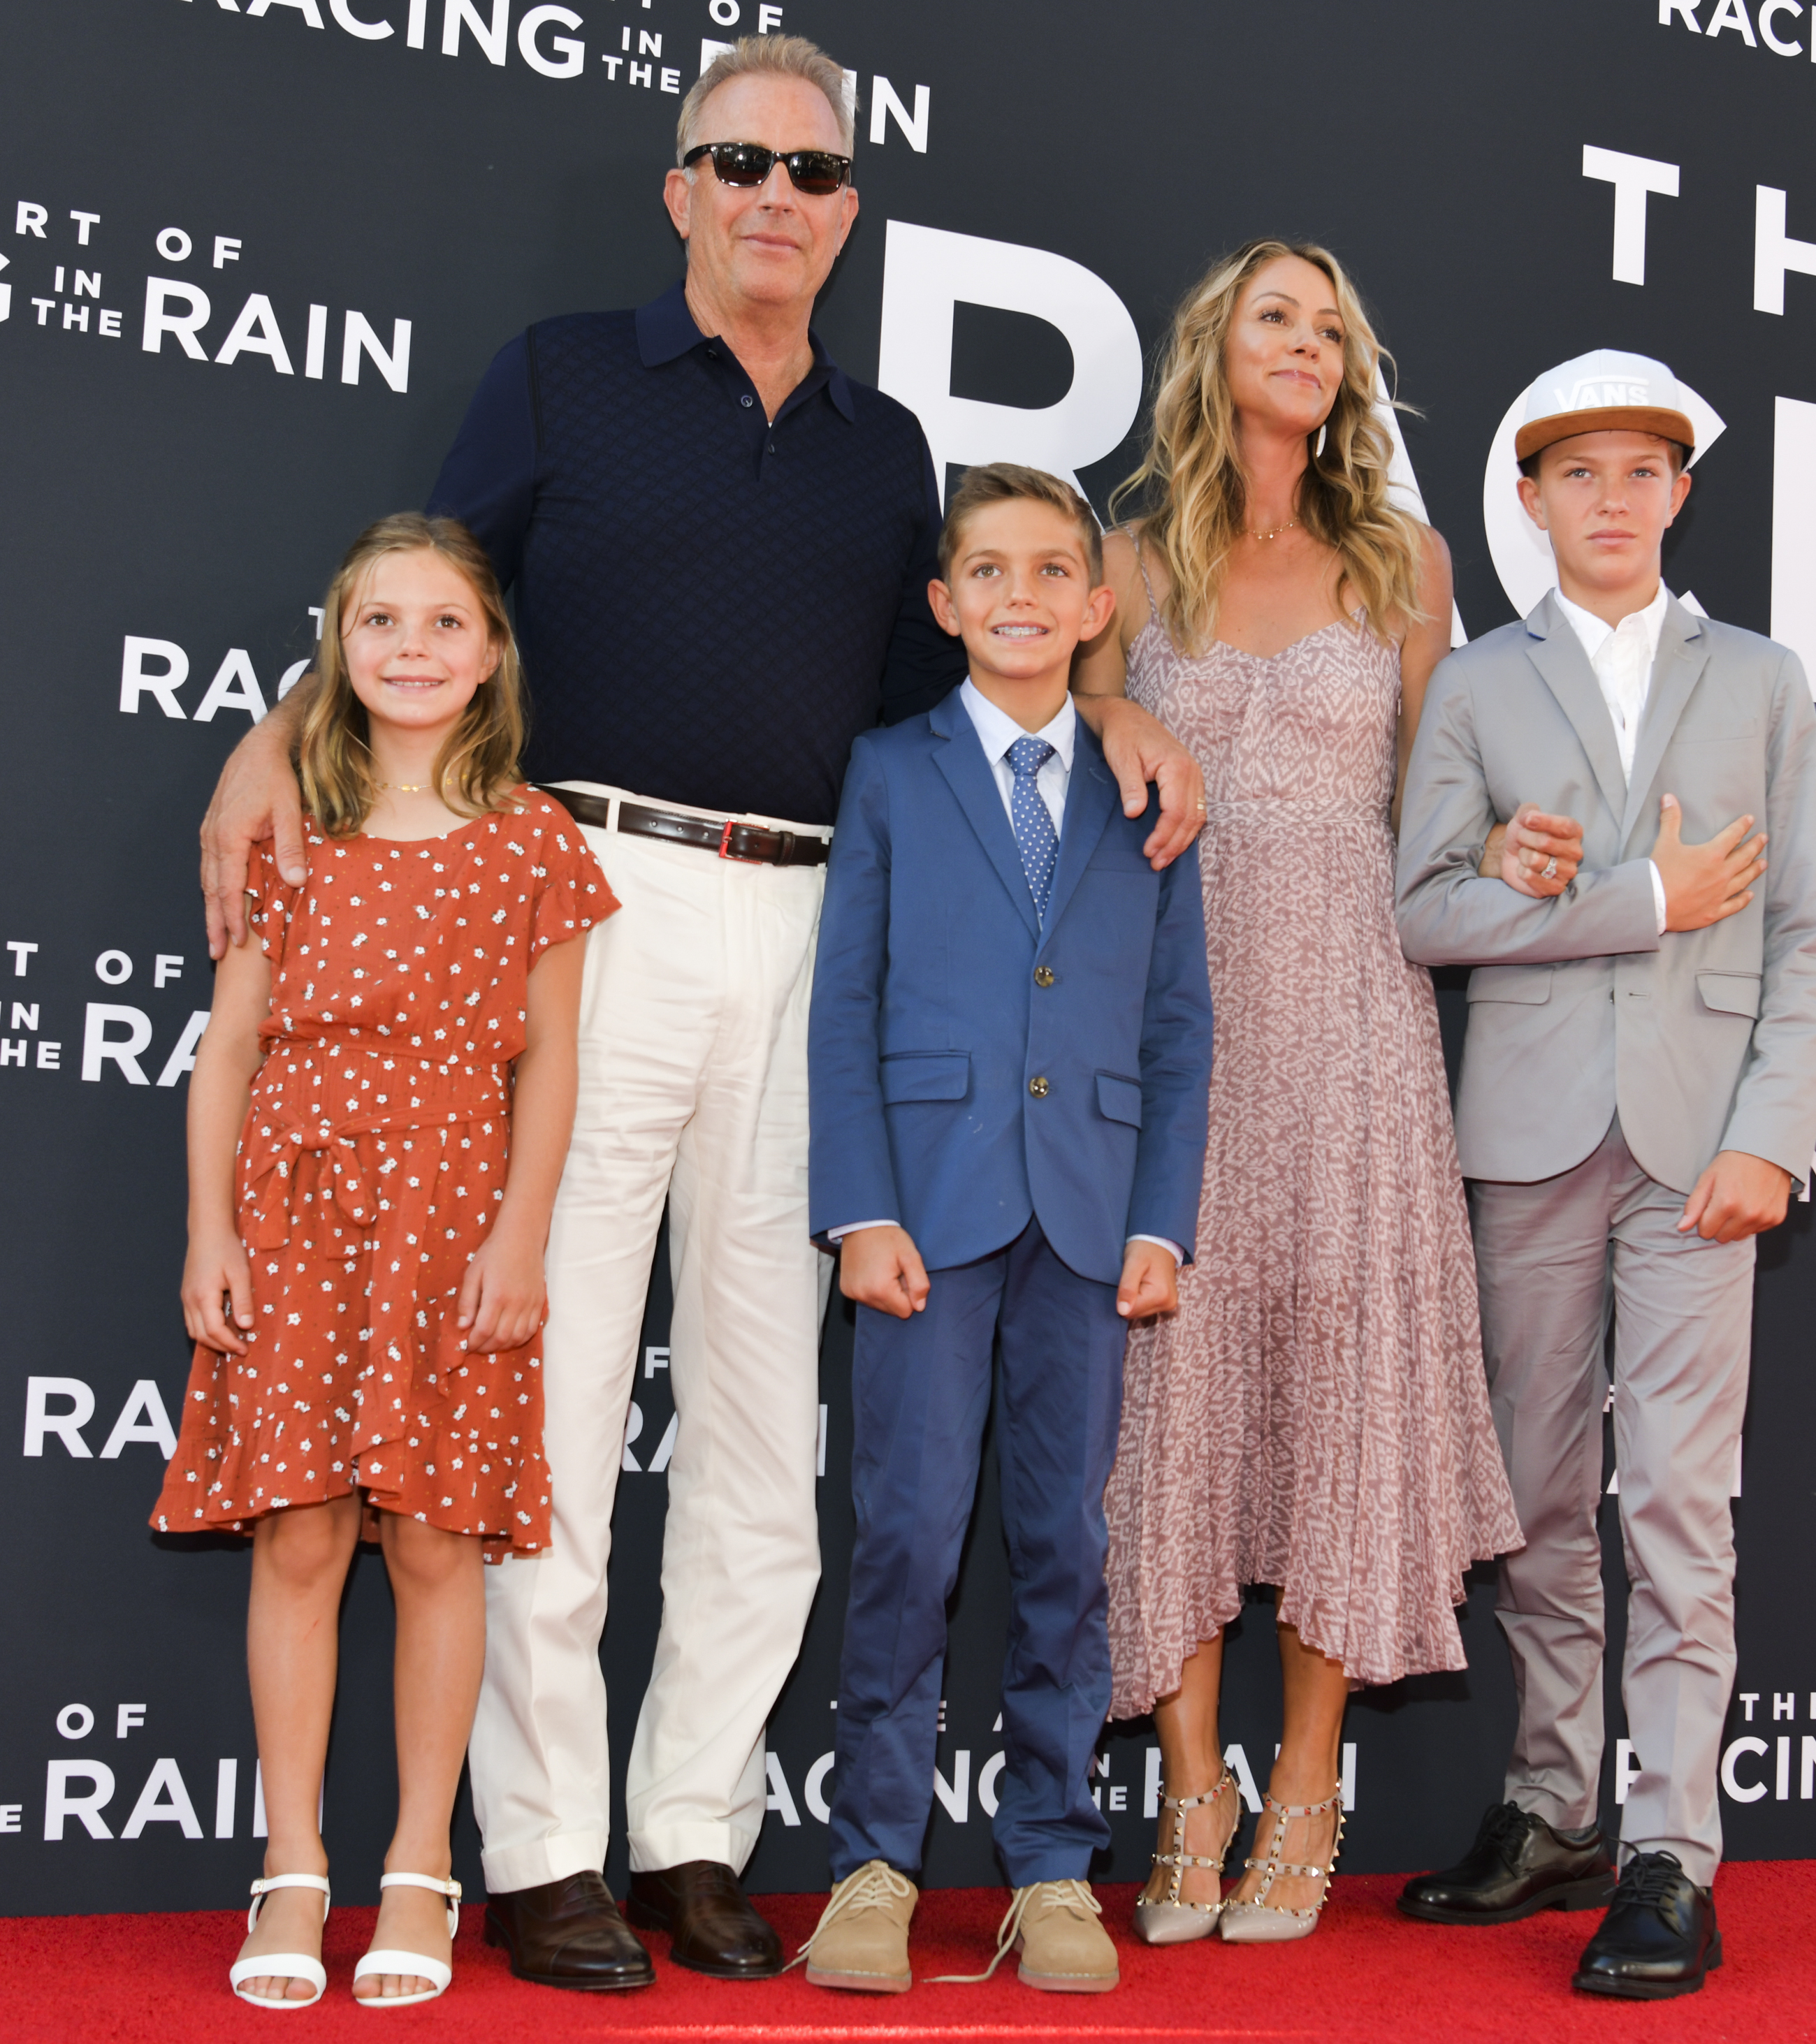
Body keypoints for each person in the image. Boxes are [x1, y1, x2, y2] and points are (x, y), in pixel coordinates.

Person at [193, 36, 1201, 1992]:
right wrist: (266, 740)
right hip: (589, 901)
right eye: (737, 161)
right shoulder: (565, 373)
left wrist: (1125, 699)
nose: (775, 196)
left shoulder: (886, 447)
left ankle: (694, 1830)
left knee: (761, 1420)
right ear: (679, 189)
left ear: (846, 211)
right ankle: (549, 1846)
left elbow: (992, 652)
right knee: (552, 1395)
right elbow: (417, 598)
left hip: (819, 924)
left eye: (813, 174)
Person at [1072, 241, 1523, 1946]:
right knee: (1168, 1401)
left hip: (1353, 1021)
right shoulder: (1128, 561)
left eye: (1333, 328)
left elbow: (1446, 802)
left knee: (1338, 1391)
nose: (1310, 346)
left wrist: (1520, 847)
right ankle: (1191, 1787)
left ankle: (1311, 1783)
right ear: (1215, 346)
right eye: (1280, 317)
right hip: (1174, 1027)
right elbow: (1072, 753)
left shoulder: (1404, 558)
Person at [1393, 351, 1816, 1999]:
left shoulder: (1765, 680)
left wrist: (1766, 1135)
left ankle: (1669, 1850)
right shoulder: (1478, 685)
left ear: (1682, 491)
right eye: (1578, 473)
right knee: (1537, 1495)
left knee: (1676, 1499)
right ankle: (1549, 1804)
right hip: (1523, 1130)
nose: (1611, 499)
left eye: (1641, 471)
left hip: (1699, 1144)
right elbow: (1426, 907)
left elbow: (1806, 936)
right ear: (1528, 498)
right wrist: (1640, 896)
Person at [155, 514, 614, 2009]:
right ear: (337, 651)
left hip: (452, 1218)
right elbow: (226, 1048)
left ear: (490, 658)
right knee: (296, 1538)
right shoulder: (288, 822)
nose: (412, 649)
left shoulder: (539, 839)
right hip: (293, 1215)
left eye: (445, 624)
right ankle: (293, 1868)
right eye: (381, 624)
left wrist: (521, 1235)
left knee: (433, 1544)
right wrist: (210, 1229)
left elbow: (547, 1067)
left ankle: (420, 1866)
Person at [800, 465, 1212, 1995]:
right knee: (905, 1536)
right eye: (991, 571)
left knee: (1066, 1546)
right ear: (945, 602)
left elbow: (1180, 1028)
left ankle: (1052, 1862)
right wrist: (859, 1205)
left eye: (1054, 570)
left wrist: (1163, 1216)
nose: (1023, 595)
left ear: (1098, 608)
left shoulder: (1146, 788)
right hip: (928, 1211)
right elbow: (845, 1002)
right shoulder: (892, 771)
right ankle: (871, 1860)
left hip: (1093, 1221)